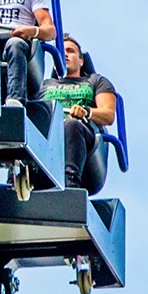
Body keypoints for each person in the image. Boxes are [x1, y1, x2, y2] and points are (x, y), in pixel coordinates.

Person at [40, 35, 118, 193]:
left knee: (72, 124)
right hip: (48, 135)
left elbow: (108, 114)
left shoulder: (95, 81)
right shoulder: (43, 85)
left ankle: (70, 185)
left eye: (70, 51)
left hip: (83, 134)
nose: (65, 55)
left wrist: (86, 112)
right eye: (61, 52)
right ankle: (16, 183)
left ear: (81, 61)